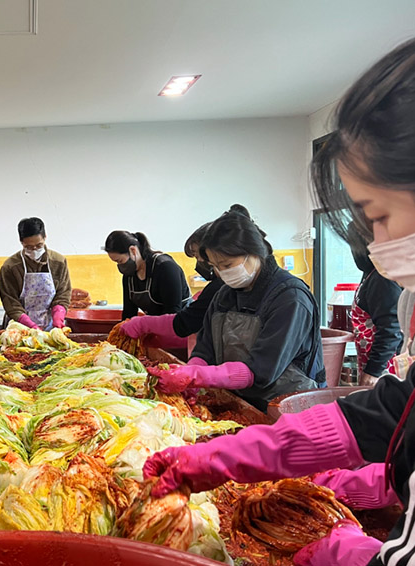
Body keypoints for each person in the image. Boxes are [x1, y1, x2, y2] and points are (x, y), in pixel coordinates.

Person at [144, 37, 415, 566]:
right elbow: (387, 413)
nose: (376, 243)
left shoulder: (289, 295)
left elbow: (264, 369)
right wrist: (223, 456)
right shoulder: (226, 290)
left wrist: (347, 552)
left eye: (378, 214)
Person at [148, 210, 325, 411]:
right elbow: (205, 349)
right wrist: (191, 373)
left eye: (227, 264)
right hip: (242, 401)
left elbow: (260, 371)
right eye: (216, 266)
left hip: (288, 406)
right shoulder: (225, 295)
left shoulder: (290, 298)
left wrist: (196, 376)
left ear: (254, 253)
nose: (222, 273)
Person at [118, 215, 227, 348]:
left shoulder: (164, 266)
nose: (200, 262)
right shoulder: (215, 287)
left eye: (200, 256)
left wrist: (144, 324)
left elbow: (183, 321)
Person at [347, 222, 403, 386]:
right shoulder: (369, 273)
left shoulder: (382, 279)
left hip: (385, 369)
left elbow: (391, 330)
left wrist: (373, 371)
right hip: (370, 362)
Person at [0, 217, 71, 330]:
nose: (34, 250)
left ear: (45, 237)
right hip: (19, 326)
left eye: (39, 245)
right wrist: (29, 324)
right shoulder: (10, 267)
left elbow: (63, 293)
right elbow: (10, 301)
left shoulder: (58, 262)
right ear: (21, 242)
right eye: (28, 247)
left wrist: (58, 316)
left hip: (50, 324)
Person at [104, 230, 190, 319]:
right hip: (157, 323)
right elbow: (129, 313)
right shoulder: (129, 276)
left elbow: (172, 312)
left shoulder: (165, 267)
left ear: (133, 250)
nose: (120, 265)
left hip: (182, 322)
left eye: (120, 261)